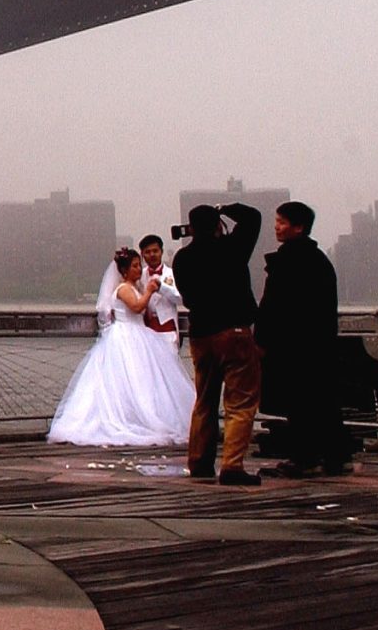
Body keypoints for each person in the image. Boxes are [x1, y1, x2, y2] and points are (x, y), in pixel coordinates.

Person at [49, 246, 199, 446]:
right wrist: (149, 291)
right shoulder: (124, 289)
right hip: (127, 336)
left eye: (139, 265)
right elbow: (137, 307)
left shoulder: (133, 288)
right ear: (125, 270)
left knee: (143, 380)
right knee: (130, 379)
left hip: (137, 334)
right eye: (135, 266)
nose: (139, 269)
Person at [175, 200, 265, 486]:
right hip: (234, 332)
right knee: (240, 402)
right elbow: (252, 217)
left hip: (201, 335)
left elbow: (187, 298)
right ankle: (232, 466)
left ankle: (199, 463)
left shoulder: (181, 259)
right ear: (217, 226)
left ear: (190, 228)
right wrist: (225, 207)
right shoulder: (233, 248)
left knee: (204, 401)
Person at [258, 200, 350, 477]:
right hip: (317, 343)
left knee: (299, 403)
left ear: (298, 228)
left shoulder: (289, 261)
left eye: (282, 222)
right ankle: (334, 456)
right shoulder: (319, 260)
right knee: (322, 402)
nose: (277, 227)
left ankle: (303, 458)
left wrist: (262, 338)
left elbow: (274, 305)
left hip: (293, 346)